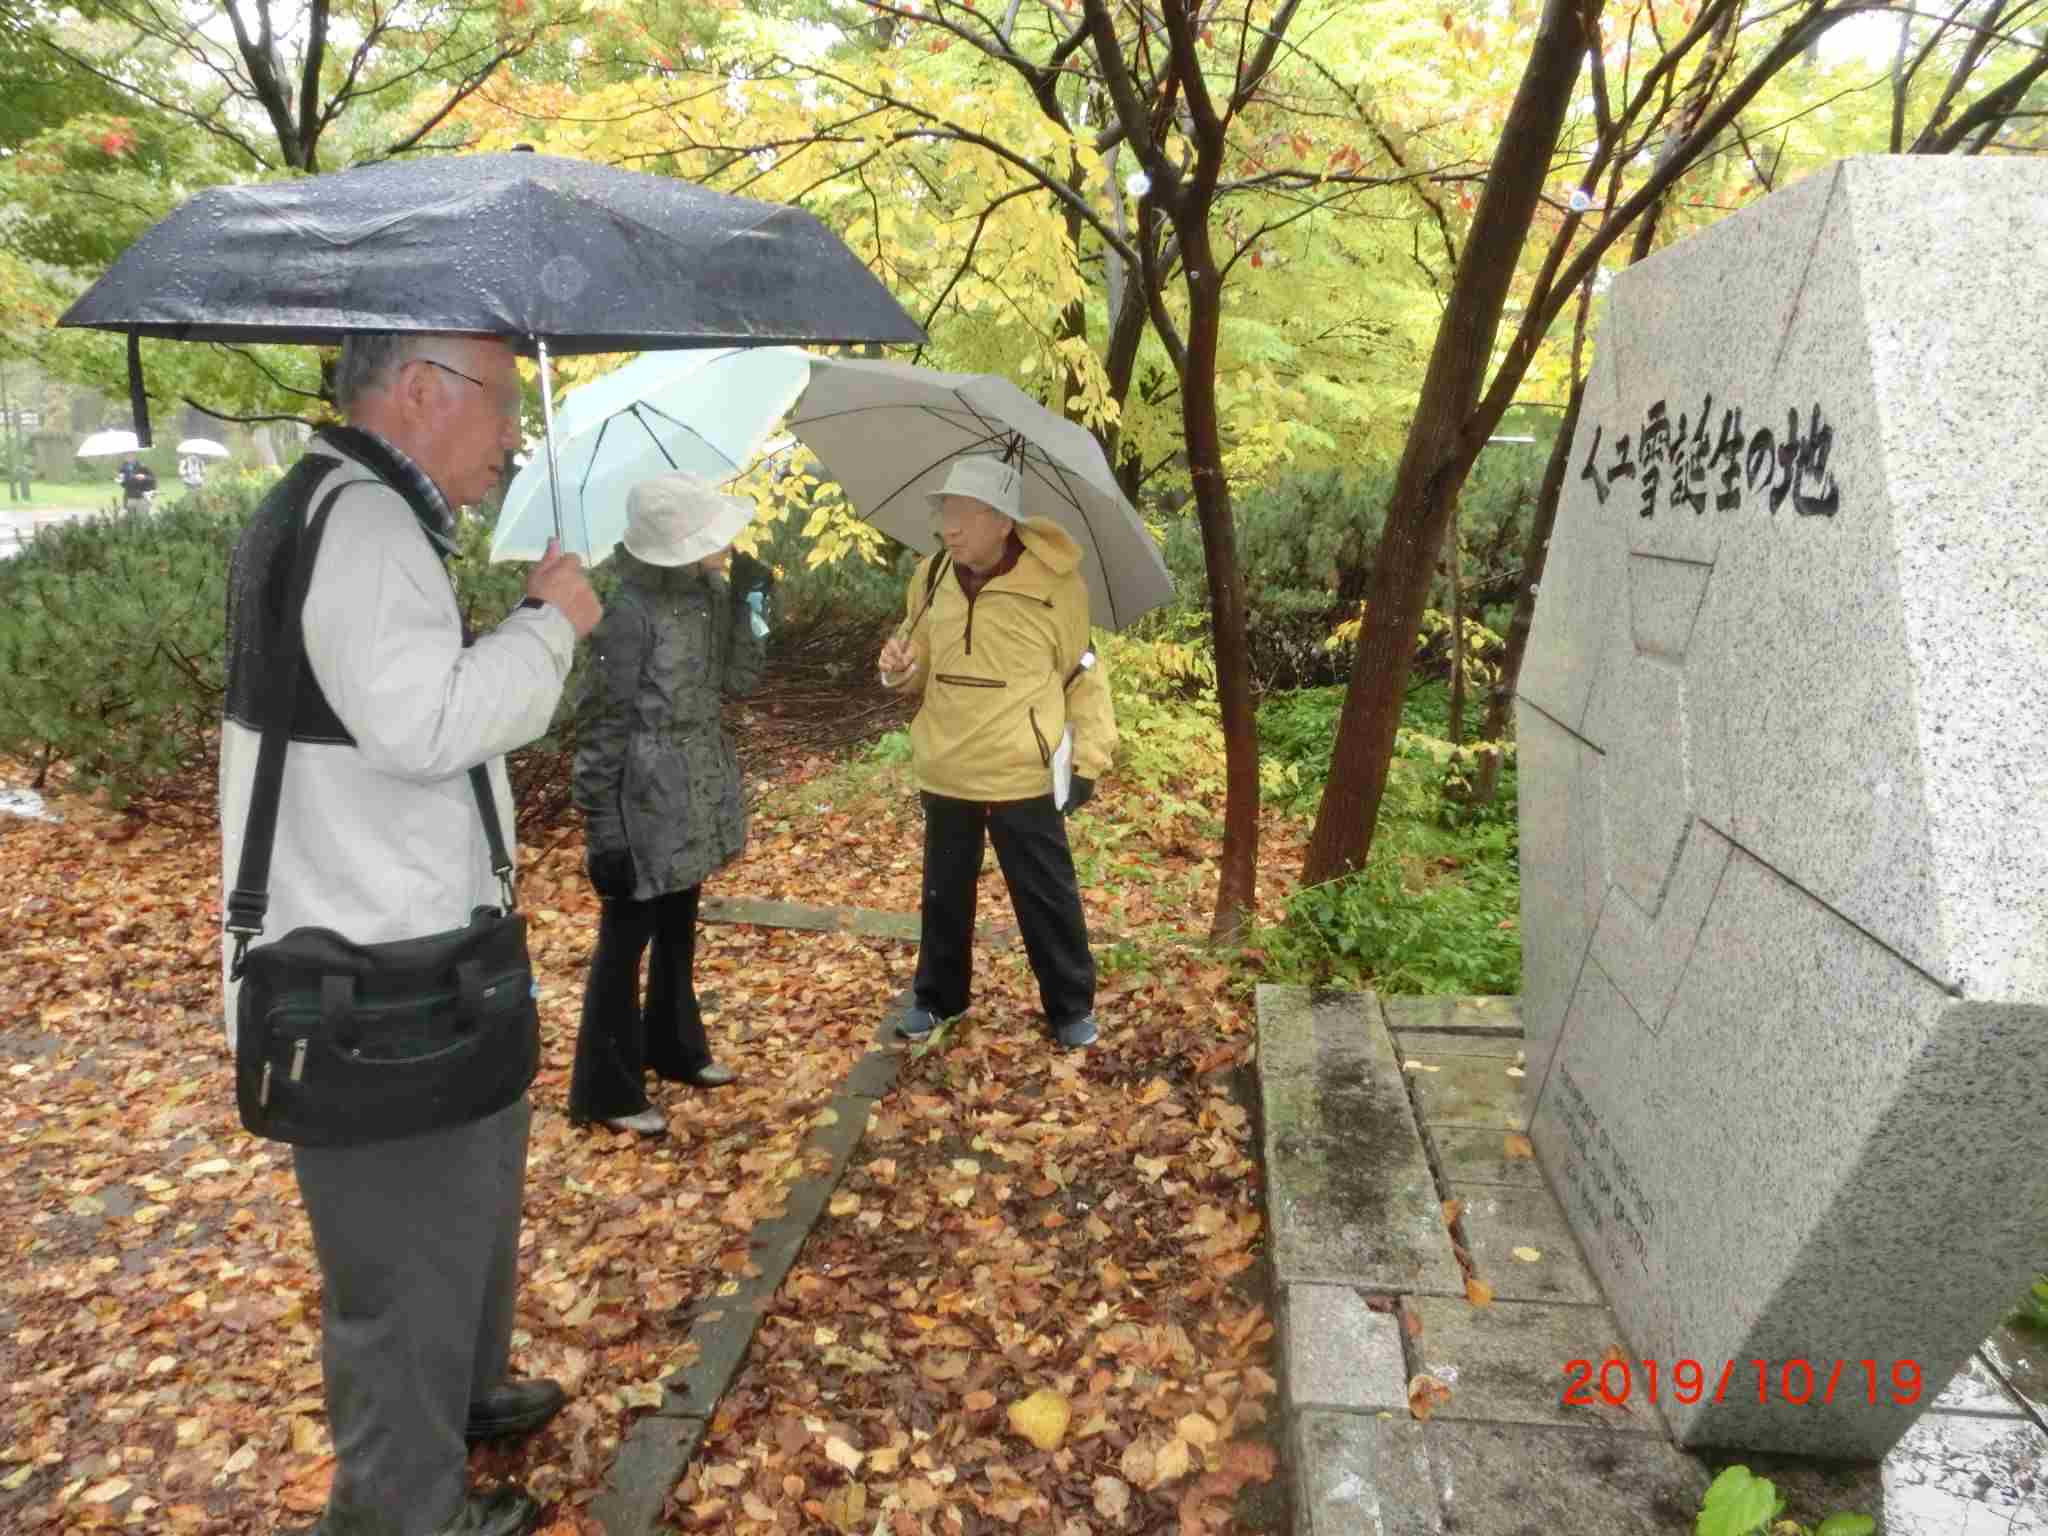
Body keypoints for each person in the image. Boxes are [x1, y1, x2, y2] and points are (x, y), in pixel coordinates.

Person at [219, 332, 601, 1536]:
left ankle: (465, 1393)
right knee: (403, 1261)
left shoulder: (348, 509)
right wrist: (546, 623)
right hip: (375, 971)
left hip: (408, 945)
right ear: (423, 389)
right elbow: (426, 725)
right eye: (497, 403)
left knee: (465, 1209)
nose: (510, 435)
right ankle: (399, 1509)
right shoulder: (366, 528)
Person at [876, 454, 1116, 1051]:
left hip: (1021, 769)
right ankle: (937, 999)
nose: (948, 527)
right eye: (944, 514)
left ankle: (1069, 1006)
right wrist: (897, 671)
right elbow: (920, 664)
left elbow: (1082, 671)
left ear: (1003, 520)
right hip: (949, 764)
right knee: (943, 893)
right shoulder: (931, 575)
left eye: (962, 514)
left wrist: (1088, 758)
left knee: (1045, 894)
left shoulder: (1057, 585)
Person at [569, 472, 772, 1135]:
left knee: (679, 924)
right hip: (640, 796)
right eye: (711, 536)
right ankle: (607, 1089)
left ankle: (674, 1047)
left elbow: (738, 682)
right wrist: (603, 828)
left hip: (695, 786)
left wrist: (753, 604)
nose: (727, 543)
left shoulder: (710, 596)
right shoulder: (626, 614)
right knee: (625, 939)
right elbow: (600, 723)